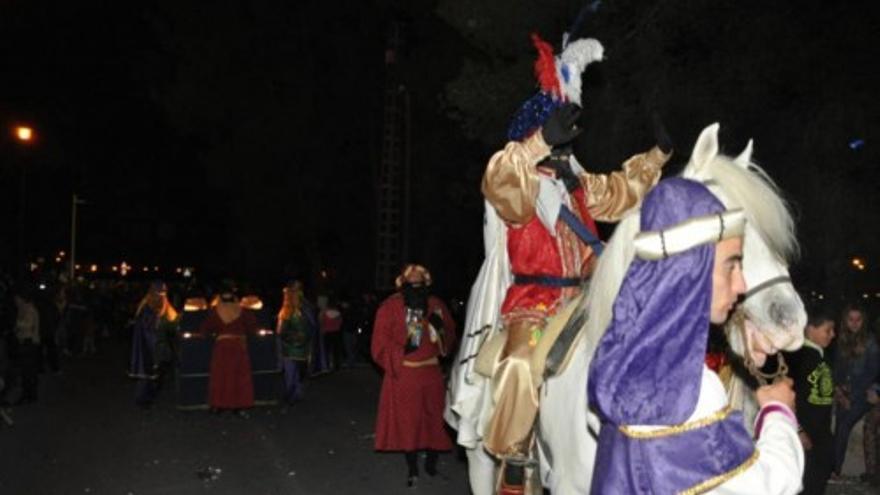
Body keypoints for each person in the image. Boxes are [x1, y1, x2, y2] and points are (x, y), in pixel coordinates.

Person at [478, 34, 671, 491]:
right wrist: (538, 144)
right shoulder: (521, 181)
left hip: (585, 295)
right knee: (521, 364)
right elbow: (498, 178)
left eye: (567, 134)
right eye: (558, 133)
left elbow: (623, 192)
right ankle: (514, 456)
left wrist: (657, 155)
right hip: (535, 300)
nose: (568, 144)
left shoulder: (576, 182)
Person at [588, 178, 803, 494]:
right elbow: (772, 485)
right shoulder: (688, 392)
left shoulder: (614, 365)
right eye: (732, 266)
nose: (742, 285)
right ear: (691, 270)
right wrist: (778, 412)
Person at [372, 264, 456, 487]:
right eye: (411, 280)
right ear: (402, 283)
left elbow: (450, 334)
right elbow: (378, 344)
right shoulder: (390, 307)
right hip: (406, 374)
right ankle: (412, 468)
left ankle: (431, 462)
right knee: (409, 423)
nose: (416, 283)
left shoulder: (436, 305)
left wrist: (441, 335)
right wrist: (402, 350)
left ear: (427, 283)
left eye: (420, 280)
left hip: (432, 374)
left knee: (434, 420)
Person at [786, 308, 836, 494]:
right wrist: (798, 429)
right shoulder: (798, 357)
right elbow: (787, 396)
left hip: (820, 432)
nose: (833, 335)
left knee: (818, 480)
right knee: (806, 483)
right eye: (827, 330)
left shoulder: (822, 355)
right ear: (810, 328)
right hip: (805, 432)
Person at [831, 304, 879, 479]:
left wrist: (853, 396)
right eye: (851, 319)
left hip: (865, 394)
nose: (854, 323)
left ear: (863, 321)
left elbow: (872, 374)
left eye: (858, 319)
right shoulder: (842, 340)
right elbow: (837, 369)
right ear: (845, 321)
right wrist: (839, 390)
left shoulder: (870, 342)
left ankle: (835, 470)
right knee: (839, 424)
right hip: (846, 393)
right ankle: (833, 468)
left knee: (843, 425)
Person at [199, 283, 257, 416]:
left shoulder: (215, 311)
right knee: (239, 376)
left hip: (222, 347)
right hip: (238, 346)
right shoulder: (242, 311)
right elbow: (252, 327)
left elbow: (205, 328)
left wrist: (206, 334)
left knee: (221, 376)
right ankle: (240, 405)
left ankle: (219, 405)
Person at [128, 281, 178, 408]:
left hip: (160, 345)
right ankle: (142, 400)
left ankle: (149, 398)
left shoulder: (163, 306)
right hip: (149, 346)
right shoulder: (147, 309)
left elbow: (172, 321)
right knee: (146, 374)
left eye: (164, 293)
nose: (162, 296)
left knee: (159, 374)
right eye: (159, 293)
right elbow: (148, 328)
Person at [276, 281, 315, 404]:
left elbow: (281, 331)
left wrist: (287, 337)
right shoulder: (307, 307)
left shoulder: (287, 310)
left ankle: (290, 394)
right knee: (298, 371)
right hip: (303, 346)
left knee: (290, 372)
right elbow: (312, 327)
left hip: (290, 346)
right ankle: (296, 394)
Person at [13, 289, 41, 404]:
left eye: (17, 298)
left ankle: (28, 395)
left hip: (29, 343)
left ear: (22, 298)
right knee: (28, 370)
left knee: (28, 371)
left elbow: (28, 325)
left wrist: (16, 324)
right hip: (26, 342)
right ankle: (30, 395)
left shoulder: (29, 309)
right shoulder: (23, 308)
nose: (15, 301)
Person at [319, 297, 343, 370]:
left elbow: (321, 322)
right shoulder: (338, 313)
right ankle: (337, 365)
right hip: (336, 332)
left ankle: (327, 365)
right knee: (336, 350)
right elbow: (340, 323)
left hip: (327, 333)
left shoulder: (324, 313)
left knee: (327, 350)